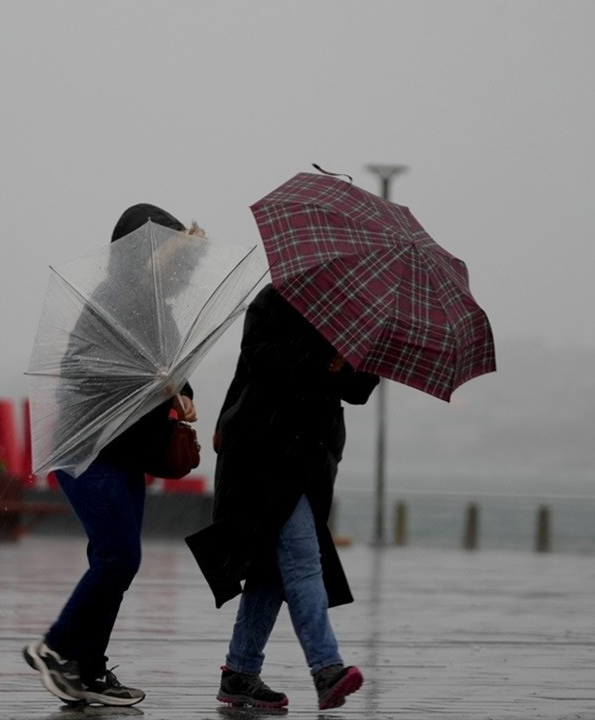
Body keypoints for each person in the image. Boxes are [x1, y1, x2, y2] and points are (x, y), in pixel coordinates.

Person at [23, 203, 198, 708]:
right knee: (120, 556)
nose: (173, 261)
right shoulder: (111, 299)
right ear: (139, 251)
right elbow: (80, 367)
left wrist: (182, 391)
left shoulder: (160, 309)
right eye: (164, 248)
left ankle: (88, 670)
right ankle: (55, 649)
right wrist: (152, 378)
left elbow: (172, 369)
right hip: (89, 448)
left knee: (114, 559)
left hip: (127, 451)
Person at [187, 283, 378, 711]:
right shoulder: (274, 301)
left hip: (311, 460)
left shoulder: (352, 314)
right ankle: (326, 668)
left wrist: (352, 364)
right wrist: (326, 363)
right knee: (302, 558)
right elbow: (264, 361)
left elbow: (360, 389)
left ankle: (240, 672)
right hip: (264, 453)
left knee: (271, 571)